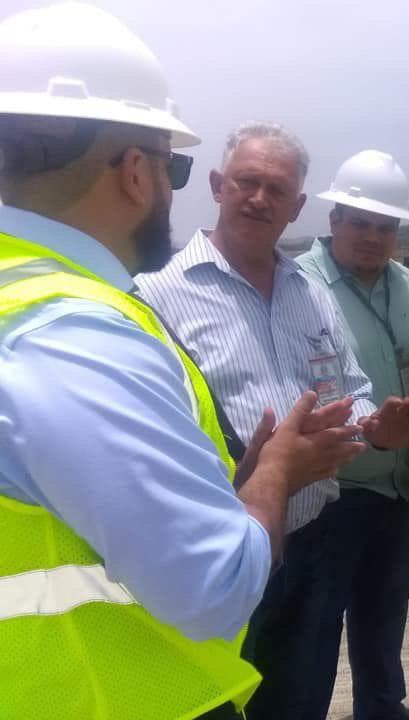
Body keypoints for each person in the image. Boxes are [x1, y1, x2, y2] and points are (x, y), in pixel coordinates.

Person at [0, 5, 355, 719]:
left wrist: (238, 480)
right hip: (100, 691)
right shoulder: (78, 330)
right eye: (178, 168)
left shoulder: (24, 296)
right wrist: (277, 474)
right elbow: (213, 589)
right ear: (138, 171)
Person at [137, 125, 409, 718]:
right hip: (217, 548)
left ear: (297, 207)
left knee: (301, 700)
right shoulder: (155, 296)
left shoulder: (310, 294)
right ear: (218, 186)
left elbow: (352, 390)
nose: (260, 199)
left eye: (278, 189)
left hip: (315, 543)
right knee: (215, 703)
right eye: (248, 182)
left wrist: (376, 427)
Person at [296, 149, 409, 720]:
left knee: (385, 615)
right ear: (333, 220)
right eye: (359, 221)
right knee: (313, 628)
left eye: (385, 226)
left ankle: (381, 710)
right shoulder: (298, 286)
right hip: (329, 494)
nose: (372, 236)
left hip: (395, 489)